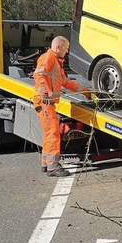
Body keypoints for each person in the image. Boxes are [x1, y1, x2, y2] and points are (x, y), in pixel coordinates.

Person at [33, 36, 91, 175]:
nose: (67, 51)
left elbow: (66, 82)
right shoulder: (48, 58)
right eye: (66, 48)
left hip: (46, 102)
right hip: (45, 102)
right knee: (53, 132)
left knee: (49, 133)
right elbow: (39, 75)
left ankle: (46, 163)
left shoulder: (56, 62)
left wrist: (84, 91)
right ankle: (53, 166)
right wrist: (45, 94)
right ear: (59, 47)